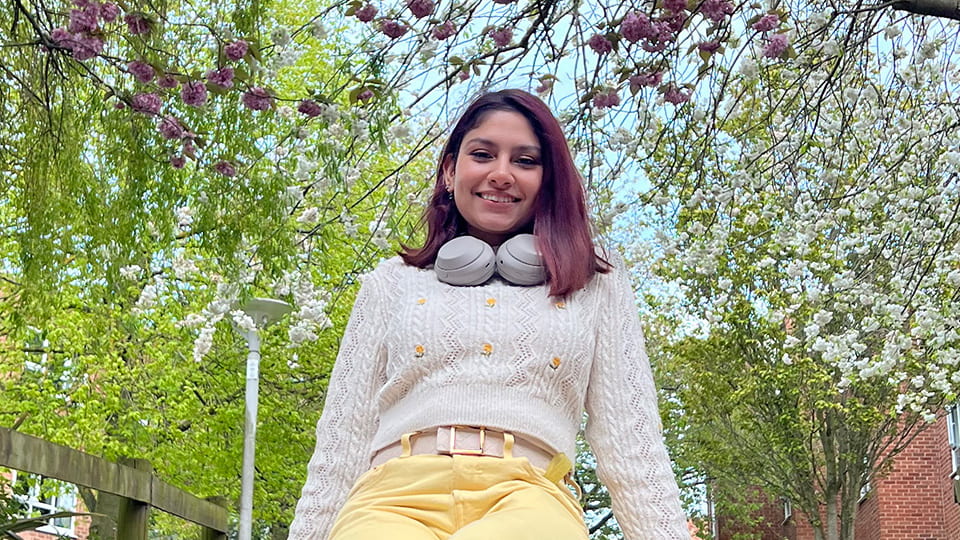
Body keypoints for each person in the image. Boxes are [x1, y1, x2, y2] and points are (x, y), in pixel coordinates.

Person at [288, 89, 689, 539]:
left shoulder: (595, 284)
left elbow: (632, 443)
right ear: (449, 169)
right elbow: (341, 440)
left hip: (532, 497)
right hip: (389, 499)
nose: (501, 174)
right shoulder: (392, 281)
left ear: (548, 180)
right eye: (483, 154)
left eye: (525, 161)